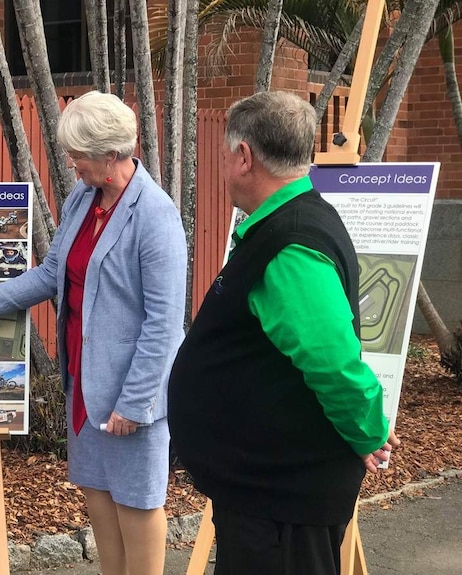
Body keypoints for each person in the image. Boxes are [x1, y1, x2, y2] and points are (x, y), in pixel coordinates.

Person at [0, 90, 187, 575]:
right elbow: (51, 273)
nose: (71, 165)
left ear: (112, 155)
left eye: (79, 156)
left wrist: (135, 403)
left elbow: (164, 324)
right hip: (83, 387)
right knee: (101, 507)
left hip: (130, 397)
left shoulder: (155, 216)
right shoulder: (82, 199)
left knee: (137, 508)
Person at [168, 91, 400, 575]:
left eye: (225, 155)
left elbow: (333, 361)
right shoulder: (284, 224)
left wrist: (368, 432)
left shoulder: (290, 245)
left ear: (245, 156)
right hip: (265, 493)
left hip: (284, 502)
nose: (224, 165)